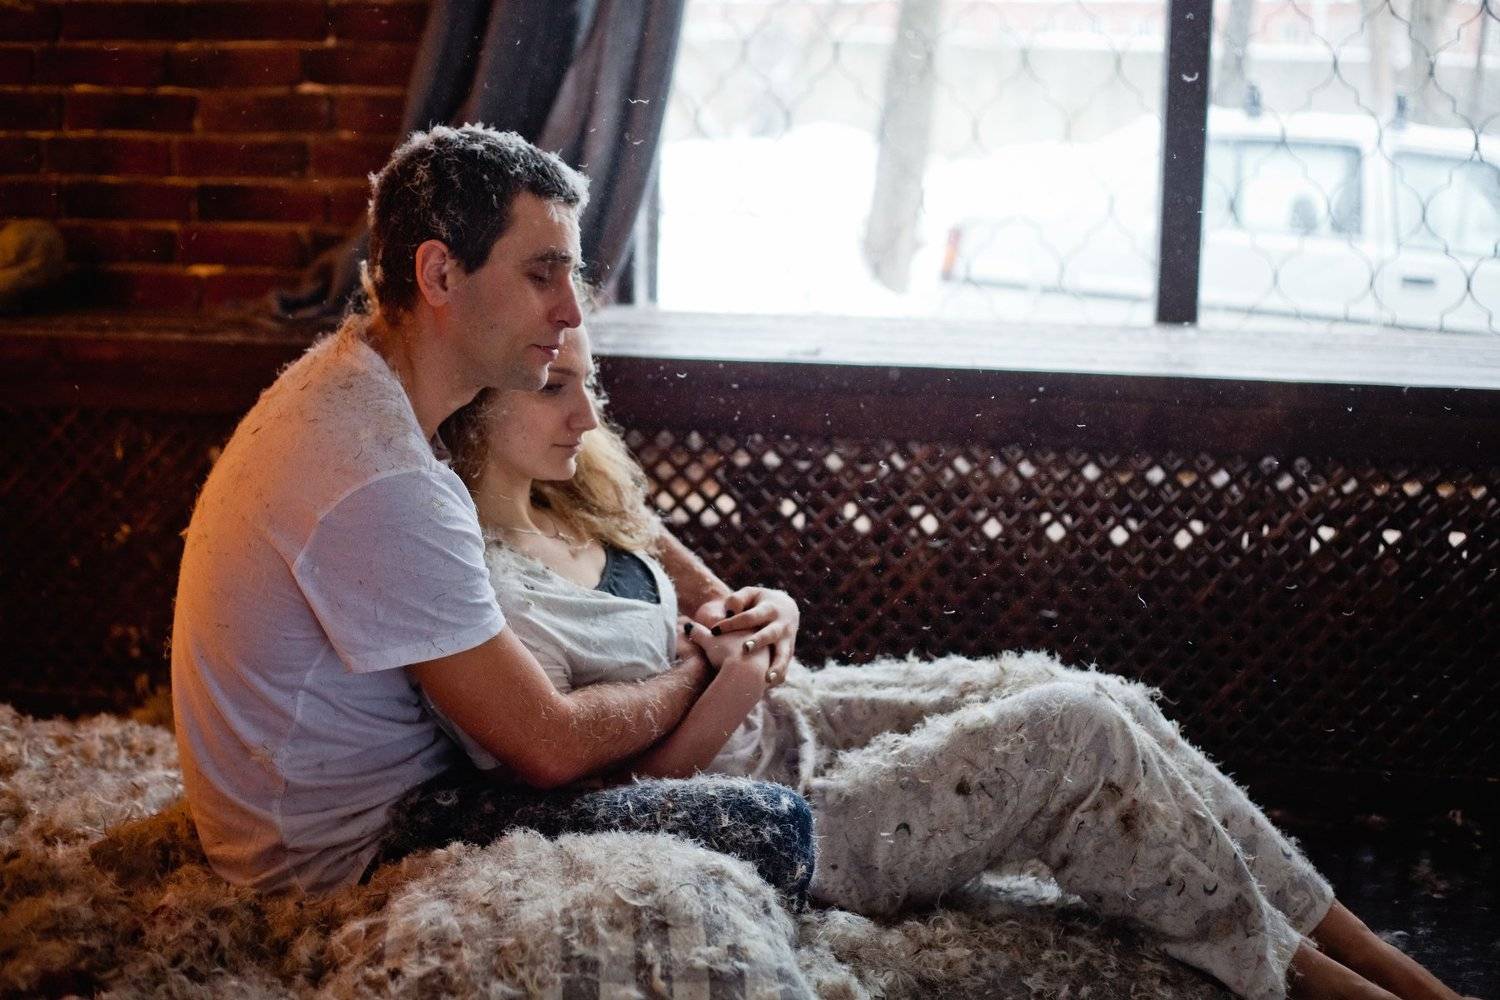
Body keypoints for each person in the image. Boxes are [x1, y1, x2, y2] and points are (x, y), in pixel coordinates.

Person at [430, 325, 1469, 1000]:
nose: (586, 416)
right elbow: (611, 805)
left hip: (800, 717)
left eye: (587, 384)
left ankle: (1376, 953)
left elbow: (729, 607)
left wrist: (775, 613)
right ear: (475, 402)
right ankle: (1322, 985)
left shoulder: (583, 497)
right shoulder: (489, 594)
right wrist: (727, 683)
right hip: (778, 819)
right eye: (553, 389)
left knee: (1078, 692)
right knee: (1073, 733)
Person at [169, 123, 812, 899]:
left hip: (371, 804)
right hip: (346, 855)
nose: (569, 311)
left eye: (570, 276)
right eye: (542, 276)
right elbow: (548, 745)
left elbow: (604, 514)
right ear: (440, 274)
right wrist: (701, 670)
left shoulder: (367, 389)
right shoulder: (381, 473)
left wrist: (728, 605)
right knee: (774, 825)